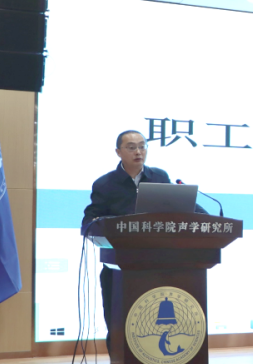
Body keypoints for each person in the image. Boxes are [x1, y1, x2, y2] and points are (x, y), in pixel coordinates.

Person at [81, 130, 207, 351]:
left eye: (142, 146)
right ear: (118, 152)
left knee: (159, 328)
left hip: (159, 265)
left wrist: (207, 218)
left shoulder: (159, 177)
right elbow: (89, 222)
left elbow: (179, 206)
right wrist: (113, 224)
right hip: (120, 268)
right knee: (120, 329)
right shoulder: (105, 184)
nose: (138, 151)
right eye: (131, 147)